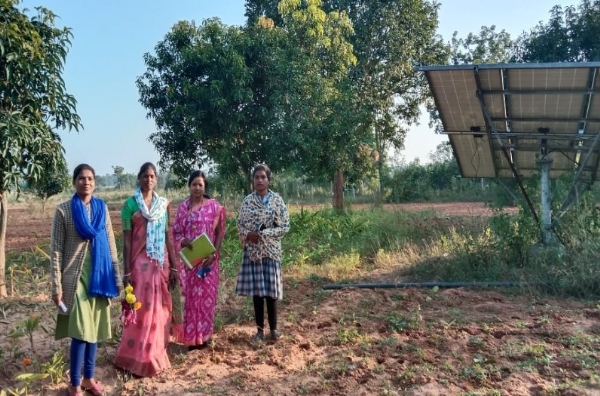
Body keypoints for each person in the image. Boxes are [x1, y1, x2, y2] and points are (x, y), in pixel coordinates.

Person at [50, 164, 121, 396]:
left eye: (90, 178)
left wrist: (117, 278)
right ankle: (74, 383)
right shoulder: (63, 211)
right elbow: (56, 250)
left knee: (95, 330)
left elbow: (110, 245)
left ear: (95, 182)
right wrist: (56, 285)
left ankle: (89, 379)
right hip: (75, 278)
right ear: (74, 182)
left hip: (100, 278)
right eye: (81, 178)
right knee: (81, 331)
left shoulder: (102, 208)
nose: (86, 182)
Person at [114, 162, 178, 377]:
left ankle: (155, 352)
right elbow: (126, 241)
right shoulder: (130, 205)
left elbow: (168, 237)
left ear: (156, 179)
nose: (148, 179)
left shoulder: (163, 205)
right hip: (139, 265)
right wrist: (126, 272)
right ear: (139, 178)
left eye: (152, 176)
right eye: (145, 176)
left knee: (159, 309)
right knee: (140, 310)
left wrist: (175, 267)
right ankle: (135, 356)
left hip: (160, 262)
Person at [235, 164, 290, 341]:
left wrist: (265, 233)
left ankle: (273, 330)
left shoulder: (277, 201)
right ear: (253, 180)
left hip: (271, 252)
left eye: (263, 177)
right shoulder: (247, 201)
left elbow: (285, 226)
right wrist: (249, 234)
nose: (260, 180)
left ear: (268, 179)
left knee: (271, 292)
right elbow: (240, 225)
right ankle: (259, 331)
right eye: (257, 177)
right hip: (254, 253)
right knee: (258, 293)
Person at [172, 171, 225, 350]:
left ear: (205, 187)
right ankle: (192, 339)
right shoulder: (182, 208)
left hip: (208, 262)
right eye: (194, 184)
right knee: (191, 299)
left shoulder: (214, 207)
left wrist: (214, 254)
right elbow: (176, 232)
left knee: (207, 299)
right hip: (190, 262)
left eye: (200, 185)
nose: (197, 188)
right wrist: (183, 241)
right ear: (189, 186)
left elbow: (220, 232)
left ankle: (205, 337)